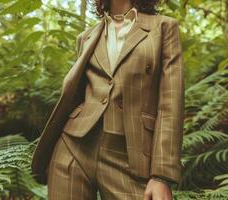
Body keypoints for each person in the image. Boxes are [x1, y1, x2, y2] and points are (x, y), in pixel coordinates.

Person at [30, 0, 185, 199]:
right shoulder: (86, 37)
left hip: (131, 155)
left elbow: (171, 104)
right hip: (74, 145)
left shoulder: (164, 28)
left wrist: (162, 176)